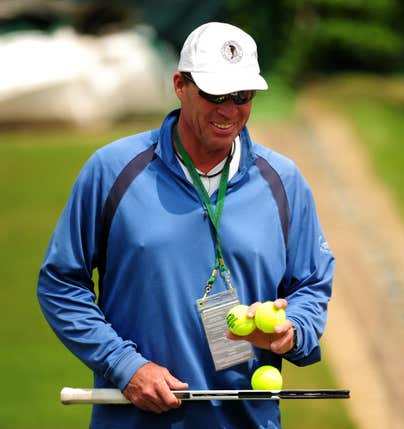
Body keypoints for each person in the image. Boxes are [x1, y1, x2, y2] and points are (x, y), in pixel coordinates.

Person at [37, 22, 335, 428]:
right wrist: (125, 365)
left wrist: (292, 330)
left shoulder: (284, 180)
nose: (228, 110)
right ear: (180, 84)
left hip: (248, 420)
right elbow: (61, 282)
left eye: (242, 96)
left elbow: (311, 284)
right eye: (214, 94)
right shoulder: (111, 171)